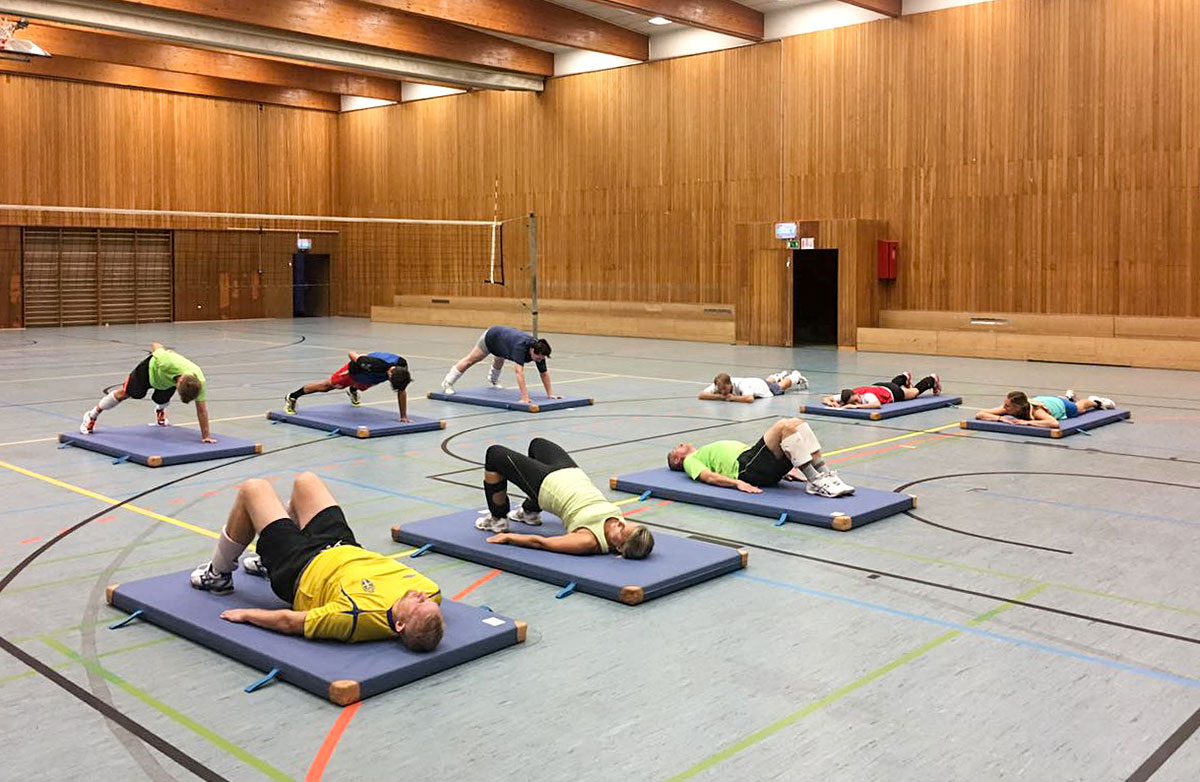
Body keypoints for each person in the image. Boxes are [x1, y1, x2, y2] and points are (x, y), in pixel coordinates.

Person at [190, 472, 444, 651]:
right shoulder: (432, 593)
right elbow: (429, 612)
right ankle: (267, 559)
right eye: (429, 603)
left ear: (398, 625)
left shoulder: (355, 617)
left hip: (298, 566)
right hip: (343, 544)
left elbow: (289, 622)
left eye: (418, 604)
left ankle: (218, 576)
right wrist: (425, 610)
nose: (421, 596)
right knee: (306, 482)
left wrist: (246, 614)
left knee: (253, 488)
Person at [476, 437, 654, 559]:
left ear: (620, 548)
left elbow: (542, 543)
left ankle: (497, 519)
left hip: (548, 485)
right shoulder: (621, 528)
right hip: (572, 472)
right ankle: (530, 512)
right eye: (625, 523)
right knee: (538, 444)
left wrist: (509, 538)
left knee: (494, 454)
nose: (620, 522)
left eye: (621, 530)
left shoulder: (588, 540)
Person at [667, 418, 854, 498]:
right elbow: (708, 476)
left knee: (797, 423)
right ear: (677, 459)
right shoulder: (691, 460)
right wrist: (736, 483)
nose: (680, 444)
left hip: (757, 465)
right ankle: (815, 481)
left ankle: (825, 474)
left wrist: (787, 468)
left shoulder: (703, 451)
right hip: (745, 468)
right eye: (677, 448)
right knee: (783, 426)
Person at [81, 342, 214, 442]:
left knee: (161, 399)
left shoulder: (199, 382)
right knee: (126, 393)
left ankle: (160, 411)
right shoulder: (167, 361)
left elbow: (202, 410)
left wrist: (206, 436)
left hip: (164, 381)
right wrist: (159, 352)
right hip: (148, 370)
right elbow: (156, 345)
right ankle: (91, 416)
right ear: (179, 383)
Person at [441, 325, 558, 405]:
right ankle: (448, 383)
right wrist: (525, 397)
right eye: (538, 358)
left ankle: (493, 380)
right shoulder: (520, 347)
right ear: (532, 350)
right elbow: (519, 372)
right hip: (493, 337)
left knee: (500, 358)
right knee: (471, 360)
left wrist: (550, 394)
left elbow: (544, 373)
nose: (539, 360)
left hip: (505, 343)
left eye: (541, 358)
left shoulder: (540, 351)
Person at [284, 351, 412, 421]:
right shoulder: (372, 364)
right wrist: (362, 359)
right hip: (354, 371)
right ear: (389, 374)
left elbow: (402, 391)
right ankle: (293, 396)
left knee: (362, 386)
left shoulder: (402, 368)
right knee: (327, 386)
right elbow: (352, 354)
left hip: (372, 375)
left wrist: (403, 416)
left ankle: (353, 390)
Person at [975, 389, 1116, 429]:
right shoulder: (1007, 409)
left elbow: (1054, 423)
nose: (1004, 408)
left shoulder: (1036, 411)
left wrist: (1028, 423)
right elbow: (980, 414)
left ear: (1017, 407)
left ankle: (1095, 401)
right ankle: (1068, 396)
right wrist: (1000, 418)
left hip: (1059, 405)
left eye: (1007, 406)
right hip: (1045, 399)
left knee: (1079, 409)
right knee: (1069, 402)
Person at [822, 372, 941, 410]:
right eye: (853, 402)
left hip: (892, 392)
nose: (856, 403)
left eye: (856, 400)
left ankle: (932, 379)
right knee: (892, 384)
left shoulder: (867, 396)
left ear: (857, 395)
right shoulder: (847, 395)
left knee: (914, 392)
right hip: (879, 386)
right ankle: (903, 377)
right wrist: (830, 402)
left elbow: (877, 405)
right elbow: (826, 398)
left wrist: (857, 407)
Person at [698, 370, 808, 403]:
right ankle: (777, 375)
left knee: (780, 386)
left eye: (724, 389)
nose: (722, 391)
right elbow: (701, 395)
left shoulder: (742, 385)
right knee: (770, 382)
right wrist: (720, 397)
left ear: (730, 383)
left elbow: (749, 399)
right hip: (754, 382)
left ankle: (795, 377)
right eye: (720, 389)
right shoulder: (720, 385)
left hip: (761, 387)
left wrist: (734, 398)